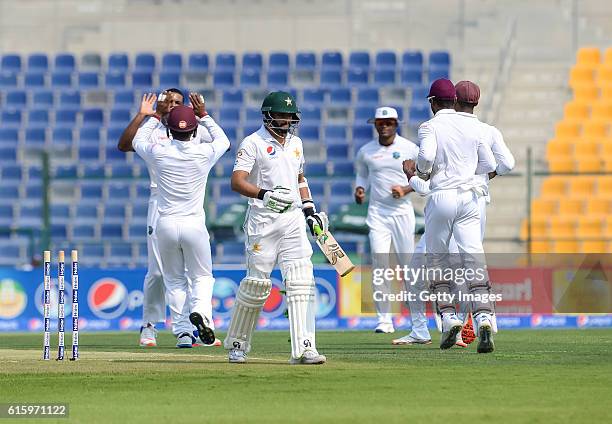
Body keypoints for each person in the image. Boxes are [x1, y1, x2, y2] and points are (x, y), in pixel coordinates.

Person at [393, 80, 515, 348]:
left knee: (437, 262)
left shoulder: (431, 126)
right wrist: (476, 177)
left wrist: (416, 174)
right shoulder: (479, 128)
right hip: (473, 199)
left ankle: (449, 319)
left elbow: (425, 159)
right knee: (473, 261)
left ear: (435, 102)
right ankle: (484, 318)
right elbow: (494, 164)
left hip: (443, 198)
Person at [223, 91, 327, 365]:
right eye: (282, 115)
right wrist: (264, 195)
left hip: (292, 220)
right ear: (268, 115)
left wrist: (310, 209)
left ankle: (305, 348)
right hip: (263, 220)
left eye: (291, 116)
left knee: (302, 282)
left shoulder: (297, 143)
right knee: (257, 285)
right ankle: (237, 345)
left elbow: (300, 178)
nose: (287, 120)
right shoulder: (253, 143)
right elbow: (237, 181)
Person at [118, 89, 217, 347]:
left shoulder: (191, 128)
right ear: (162, 105)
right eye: (168, 102)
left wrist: (201, 116)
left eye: (177, 103)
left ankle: (188, 329)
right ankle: (150, 325)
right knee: (159, 271)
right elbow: (124, 145)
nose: (172, 106)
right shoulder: (155, 129)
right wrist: (144, 116)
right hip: (159, 203)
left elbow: (213, 140)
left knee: (182, 272)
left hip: (183, 208)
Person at [353, 106, 428, 340]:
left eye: (389, 122)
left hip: (402, 213)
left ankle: (417, 320)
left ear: (396, 124)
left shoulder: (410, 148)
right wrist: (360, 188)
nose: (384, 126)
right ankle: (384, 320)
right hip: (377, 213)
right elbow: (362, 174)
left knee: (409, 266)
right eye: (380, 122)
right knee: (380, 264)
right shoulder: (366, 151)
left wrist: (406, 189)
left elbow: (425, 175)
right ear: (374, 124)